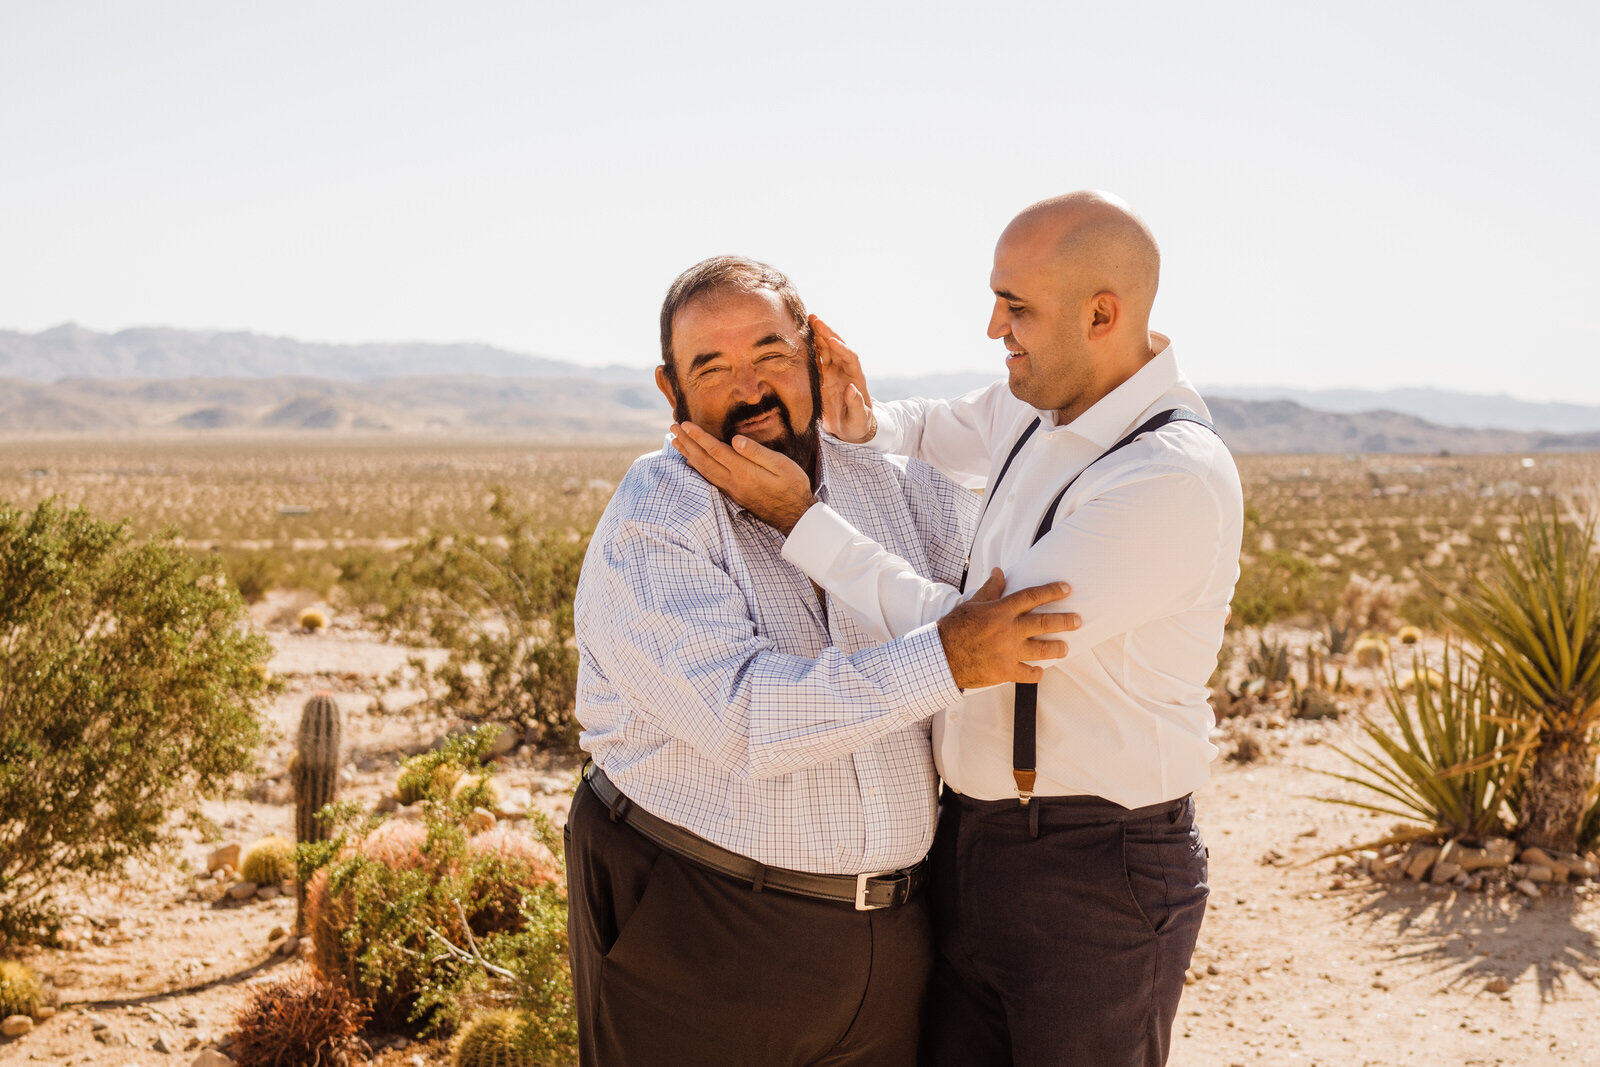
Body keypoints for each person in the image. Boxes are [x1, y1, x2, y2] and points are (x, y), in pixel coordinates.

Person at [671, 192, 1245, 1066]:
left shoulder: (1167, 478)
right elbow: (947, 425)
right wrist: (862, 423)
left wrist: (805, 522)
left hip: (1096, 867)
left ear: (1102, 314)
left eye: (1016, 306)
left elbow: (979, 639)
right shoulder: (1044, 399)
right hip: (975, 843)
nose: (993, 326)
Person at [566, 255, 1080, 1067]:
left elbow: (1002, 579)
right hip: (703, 922)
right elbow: (748, 717)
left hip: (894, 932)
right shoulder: (655, 516)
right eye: (713, 367)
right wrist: (947, 657)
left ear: (817, 352)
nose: (750, 387)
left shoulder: (888, 477)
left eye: (771, 354)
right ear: (672, 392)